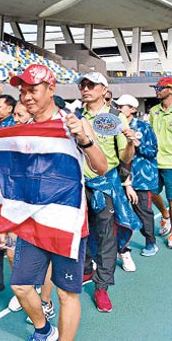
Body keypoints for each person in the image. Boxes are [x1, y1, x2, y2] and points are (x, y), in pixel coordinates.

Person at [8, 64, 107, 341]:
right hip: (34, 222)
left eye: (33, 90)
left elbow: (101, 167)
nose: (27, 96)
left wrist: (84, 140)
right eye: (22, 91)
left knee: (66, 292)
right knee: (21, 287)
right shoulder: (23, 131)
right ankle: (44, 330)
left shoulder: (74, 123)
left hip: (68, 223)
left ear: (51, 89)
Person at [76, 72, 140, 312]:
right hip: (79, 186)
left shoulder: (116, 117)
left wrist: (131, 143)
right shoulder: (77, 116)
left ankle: (102, 286)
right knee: (80, 233)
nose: (85, 88)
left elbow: (125, 158)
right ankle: (84, 270)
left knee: (105, 237)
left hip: (105, 185)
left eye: (91, 84)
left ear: (104, 89)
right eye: (83, 85)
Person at [115, 94, 159, 256]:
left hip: (141, 179)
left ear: (132, 109)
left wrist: (136, 142)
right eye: (117, 107)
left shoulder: (144, 127)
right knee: (120, 213)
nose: (118, 109)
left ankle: (150, 242)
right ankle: (123, 244)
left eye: (122, 107)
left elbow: (152, 151)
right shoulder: (115, 128)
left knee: (143, 212)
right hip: (121, 178)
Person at [149, 77, 172, 240]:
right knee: (150, 192)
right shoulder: (153, 110)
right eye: (156, 87)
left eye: (160, 87)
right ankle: (166, 215)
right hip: (154, 162)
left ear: (170, 89)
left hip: (171, 163)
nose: (157, 90)